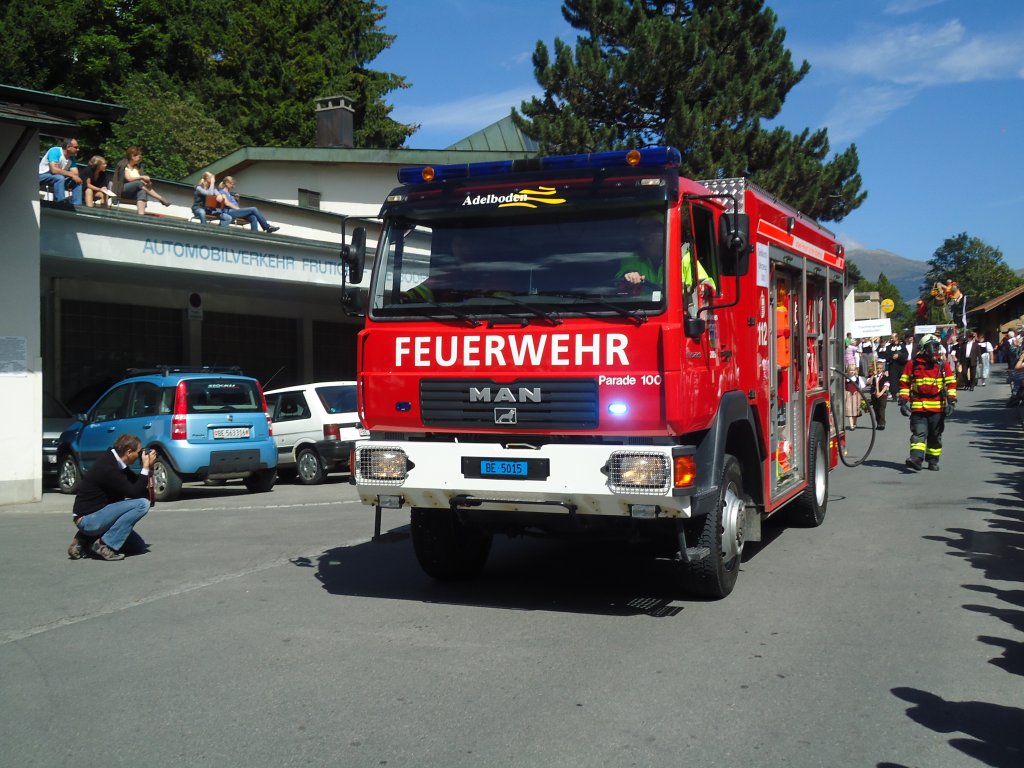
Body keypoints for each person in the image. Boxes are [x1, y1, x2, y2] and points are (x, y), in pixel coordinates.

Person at [67, 434, 154, 561]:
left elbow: (140, 488)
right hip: (88, 519)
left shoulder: (117, 463)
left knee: (138, 547)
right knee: (142, 504)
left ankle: (83, 542)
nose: (140, 455)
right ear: (129, 452)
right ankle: (104, 545)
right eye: (138, 452)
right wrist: (145, 468)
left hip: (100, 516)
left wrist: (149, 468)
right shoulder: (108, 467)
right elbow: (135, 493)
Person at [898, 333, 957, 471]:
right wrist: (903, 401)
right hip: (919, 406)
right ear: (923, 348)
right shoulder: (912, 364)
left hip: (937, 407)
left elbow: (951, 383)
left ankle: (932, 460)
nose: (934, 350)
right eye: (932, 347)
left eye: (936, 347)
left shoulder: (942, 365)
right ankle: (916, 459)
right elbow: (905, 383)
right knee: (919, 433)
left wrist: (951, 402)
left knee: (935, 436)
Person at [112, 146, 170, 214]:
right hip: (122, 190)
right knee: (138, 183)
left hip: (134, 192)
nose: (140, 157)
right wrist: (141, 177)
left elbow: (144, 181)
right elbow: (129, 178)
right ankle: (160, 198)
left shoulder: (138, 167)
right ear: (133, 156)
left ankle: (141, 215)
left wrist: (148, 183)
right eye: (139, 156)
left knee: (142, 191)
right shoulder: (124, 165)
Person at [38, 138, 82, 205]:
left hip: (59, 177)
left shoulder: (71, 157)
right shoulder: (55, 151)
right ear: (68, 147)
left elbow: (75, 173)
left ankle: (77, 205)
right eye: (76, 147)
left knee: (78, 181)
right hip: (41, 175)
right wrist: (71, 174)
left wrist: (74, 176)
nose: (78, 149)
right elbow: (54, 170)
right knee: (59, 177)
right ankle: (60, 203)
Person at [843, 364, 864, 430]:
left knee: (855, 410)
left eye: (853, 370)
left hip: (856, 395)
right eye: (850, 370)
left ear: (855, 371)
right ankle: (851, 425)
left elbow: (862, 387)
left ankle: (854, 423)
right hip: (848, 395)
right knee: (849, 410)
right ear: (848, 371)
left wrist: (859, 393)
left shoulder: (858, 378)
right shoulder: (845, 378)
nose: (851, 371)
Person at [870, 360, 889, 430]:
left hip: (882, 395)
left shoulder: (885, 377)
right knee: (876, 410)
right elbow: (868, 382)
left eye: (880, 368)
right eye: (877, 368)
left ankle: (882, 423)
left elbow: (886, 386)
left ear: (882, 369)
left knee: (881, 409)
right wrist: (873, 375)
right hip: (874, 395)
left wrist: (880, 393)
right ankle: (878, 423)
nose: (879, 370)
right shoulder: (873, 376)